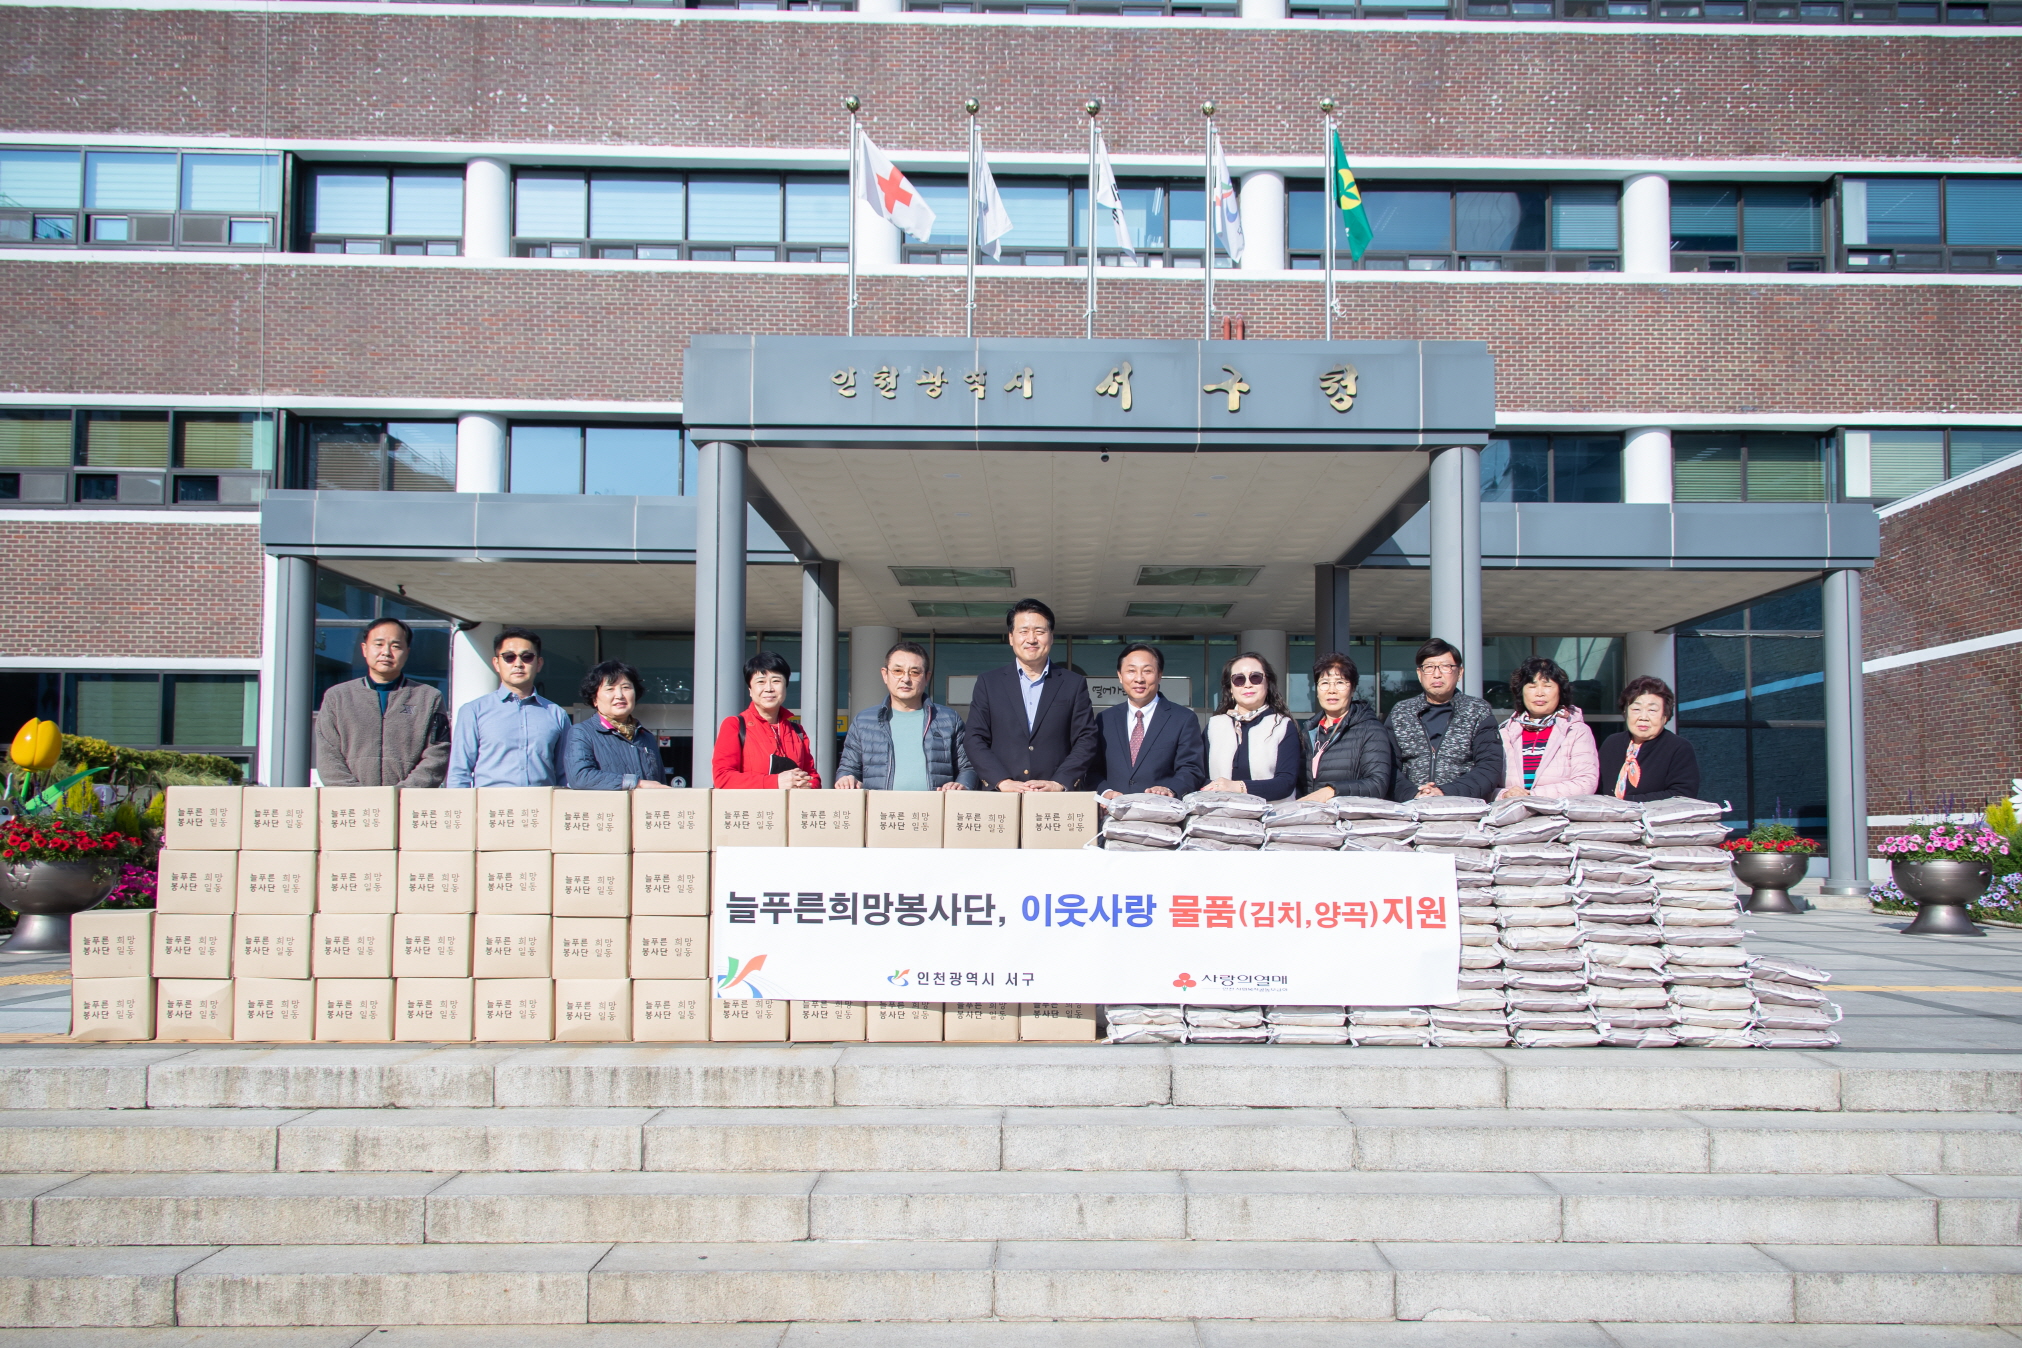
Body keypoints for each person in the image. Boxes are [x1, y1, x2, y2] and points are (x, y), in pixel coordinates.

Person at [964, 598, 1098, 792]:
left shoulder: (1073, 684)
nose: (1032, 639)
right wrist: (1001, 781)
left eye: (1039, 631)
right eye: (1023, 631)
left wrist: (1060, 782)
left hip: (1054, 797)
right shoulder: (989, 683)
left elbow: (1086, 738)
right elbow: (975, 738)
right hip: (1001, 795)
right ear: (1011, 637)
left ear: (1051, 637)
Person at [314, 616, 450, 788]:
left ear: (407, 652)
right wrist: (355, 795)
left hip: (409, 800)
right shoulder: (337, 697)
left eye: (395, 646)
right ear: (364, 649)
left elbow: (437, 752)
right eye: (378, 644)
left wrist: (400, 794)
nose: (386, 652)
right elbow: (328, 755)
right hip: (352, 801)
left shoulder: (428, 697)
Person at [834, 640, 977, 792]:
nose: (906, 679)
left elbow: (968, 767)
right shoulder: (864, 722)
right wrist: (846, 779)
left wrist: (962, 786)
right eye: (898, 671)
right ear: (885, 675)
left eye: (915, 672)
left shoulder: (948, 719)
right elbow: (848, 768)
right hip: (880, 806)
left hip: (934, 805)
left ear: (927, 677)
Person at [445, 626, 572, 789]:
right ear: (496, 663)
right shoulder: (474, 711)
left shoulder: (557, 714)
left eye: (527, 657)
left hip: (542, 803)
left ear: (539, 663)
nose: (518, 664)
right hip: (489, 803)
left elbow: (566, 774)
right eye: (509, 657)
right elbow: (459, 773)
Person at [1385, 637, 1505, 802]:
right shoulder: (1401, 712)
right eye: (1429, 667)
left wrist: (1445, 792)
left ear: (1459, 672)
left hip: (1462, 808)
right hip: (1410, 807)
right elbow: (1387, 766)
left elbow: (1489, 767)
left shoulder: (1477, 710)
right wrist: (1412, 794)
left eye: (1445, 667)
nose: (1436, 674)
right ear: (1419, 674)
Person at [1092, 642, 1206, 799]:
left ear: (1159, 675)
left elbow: (1191, 769)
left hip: (1161, 809)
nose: (1139, 679)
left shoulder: (1183, 719)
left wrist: (1170, 789)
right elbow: (1092, 769)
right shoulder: (1105, 719)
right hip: (1113, 810)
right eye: (1131, 671)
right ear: (1120, 676)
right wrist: (1105, 792)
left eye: (1147, 671)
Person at [711, 650, 821, 789]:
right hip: (753, 804)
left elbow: (812, 776)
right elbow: (722, 778)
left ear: (785, 686)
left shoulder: (797, 731)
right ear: (750, 690)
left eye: (776, 681)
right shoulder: (735, 725)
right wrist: (775, 782)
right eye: (761, 682)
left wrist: (808, 785)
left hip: (791, 803)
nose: (769, 688)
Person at [1201, 652, 1303, 803]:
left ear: (1267, 683)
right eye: (1239, 679)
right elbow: (1198, 775)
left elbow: (1286, 783)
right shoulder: (1215, 726)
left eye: (1255, 677)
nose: (1247, 684)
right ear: (1230, 688)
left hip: (1272, 814)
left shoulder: (1282, 725)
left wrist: (1238, 787)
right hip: (1222, 812)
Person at [1497, 656, 1601, 799]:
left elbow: (1586, 782)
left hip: (1559, 812)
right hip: (1512, 811)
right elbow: (1488, 785)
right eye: (1532, 686)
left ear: (1560, 691)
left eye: (1547, 686)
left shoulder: (1576, 731)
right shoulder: (1504, 733)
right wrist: (1503, 795)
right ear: (1521, 692)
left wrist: (1532, 796)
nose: (1539, 693)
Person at [1298, 652, 1393, 802]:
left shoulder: (1371, 730)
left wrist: (1331, 791)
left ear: (1353, 689)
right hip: (1312, 814)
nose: (1331, 690)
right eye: (1324, 683)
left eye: (1340, 683)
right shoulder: (1308, 732)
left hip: (1350, 814)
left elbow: (1377, 784)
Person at [563, 659, 671, 791]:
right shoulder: (582, 733)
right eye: (610, 689)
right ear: (594, 698)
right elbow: (580, 777)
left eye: (626, 687)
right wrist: (637, 783)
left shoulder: (646, 736)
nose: (619, 695)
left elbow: (659, 785)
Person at [1597, 675, 1702, 802]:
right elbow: (1597, 788)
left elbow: (1683, 794)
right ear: (1625, 712)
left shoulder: (1678, 748)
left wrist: (1627, 802)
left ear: (1665, 716)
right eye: (1636, 709)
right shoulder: (1612, 743)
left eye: (1652, 710)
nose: (1643, 717)